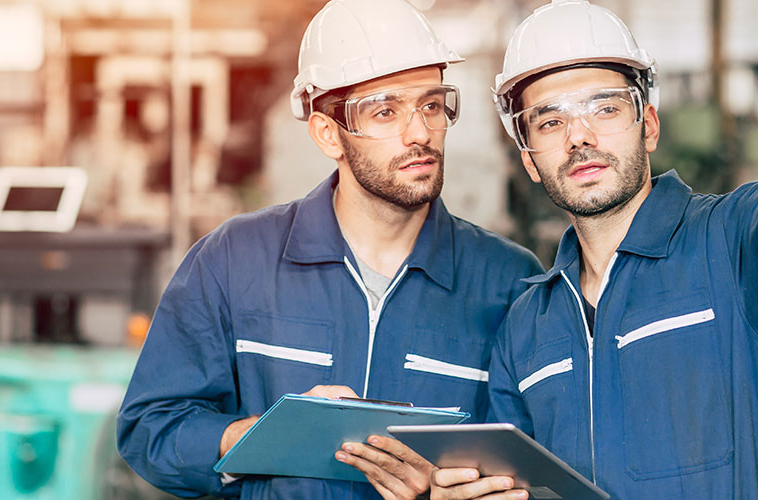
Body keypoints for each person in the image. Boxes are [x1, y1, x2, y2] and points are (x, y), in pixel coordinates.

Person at [430, 0, 758, 498]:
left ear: (651, 126)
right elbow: (517, 486)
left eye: (605, 107)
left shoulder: (735, 244)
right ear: (529, 159)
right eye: (550, 121)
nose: (580, 135)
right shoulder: (527, 327)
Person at [116, 0, 543, 499]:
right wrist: (270, 434)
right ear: (327, 133)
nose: (420, 132)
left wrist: (448, 488)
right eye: (385, 111)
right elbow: (151, 429)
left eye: (431, 104)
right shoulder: (233, 261)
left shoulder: (510, 283)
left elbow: (538, 463)